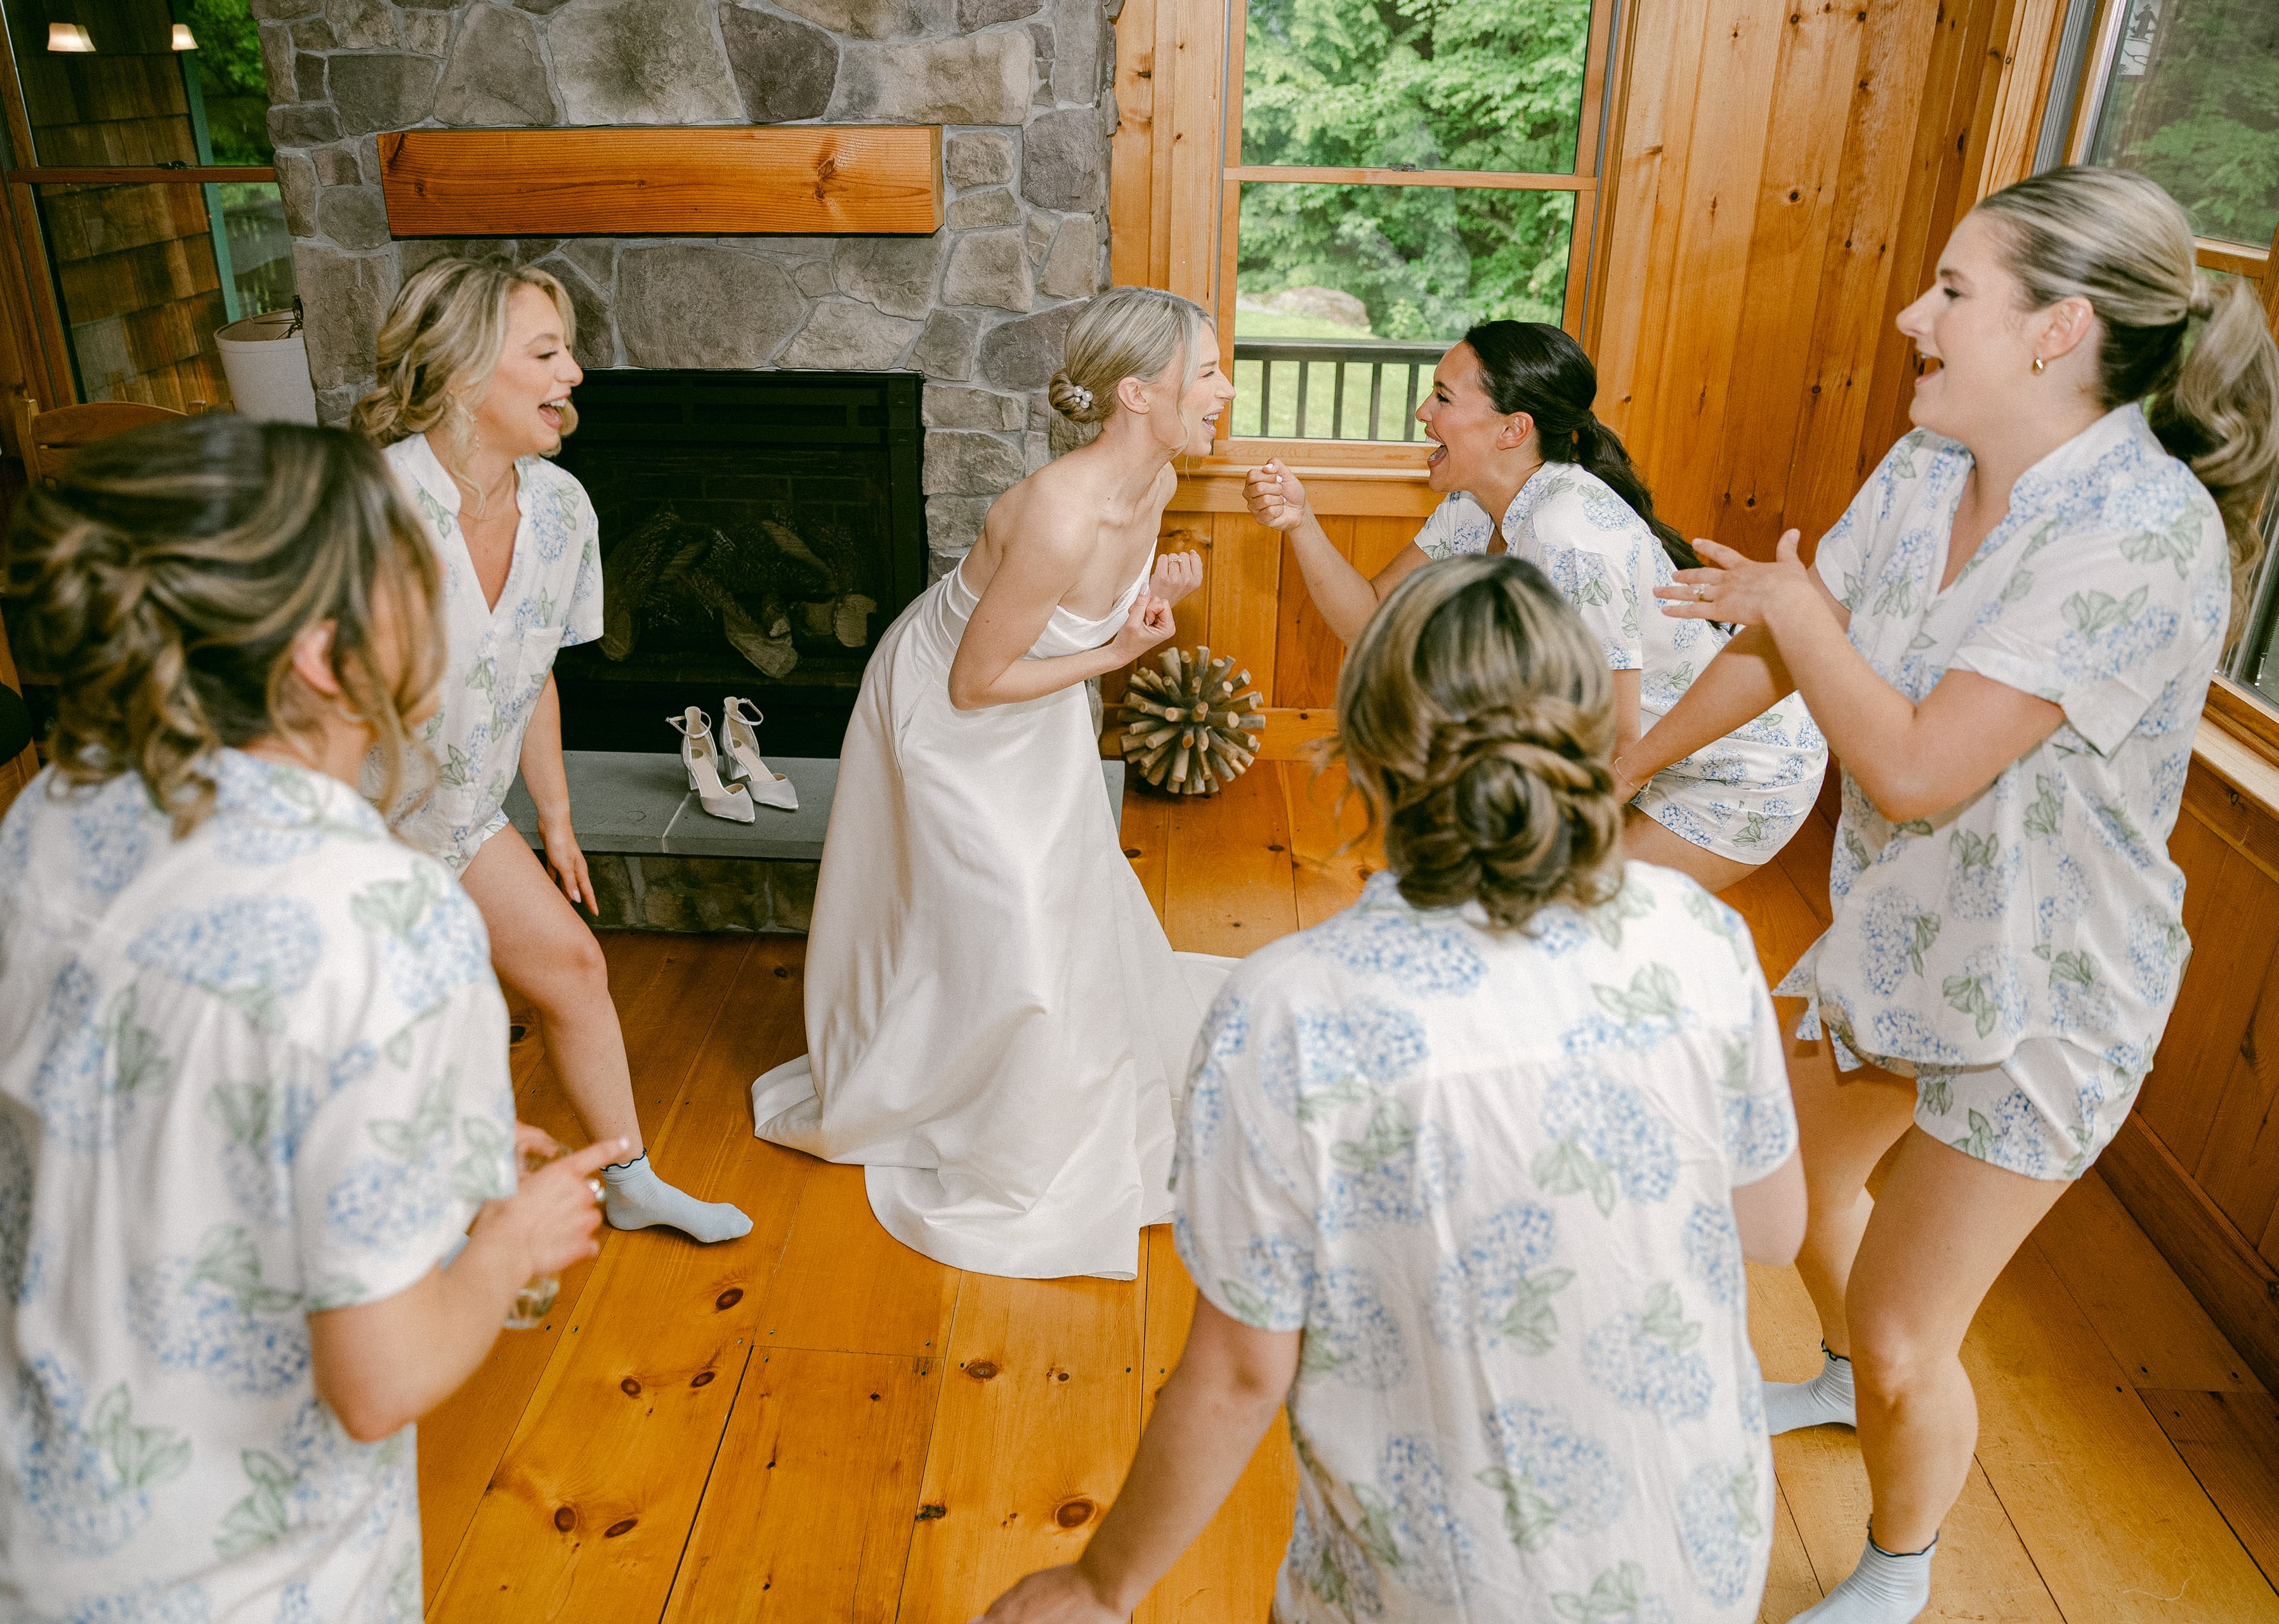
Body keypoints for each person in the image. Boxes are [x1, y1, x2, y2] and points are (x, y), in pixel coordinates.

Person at [0, 416, 621, 1619]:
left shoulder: (64, 808)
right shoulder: (391, 925)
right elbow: (379, 1380)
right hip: (178, 1573)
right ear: (325, 656)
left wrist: (417, 1153)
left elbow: (117, 1098)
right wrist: (511, 1243)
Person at [1638, 167, 2278, 1623]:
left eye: (1951, 291)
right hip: (1904, 925)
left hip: (2049, 991)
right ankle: (1833, 1381)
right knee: (1785, 1181)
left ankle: (1899, 1564)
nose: (1910, 318)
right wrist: (1620, 764)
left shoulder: (2141, 531)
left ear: (2059, 329)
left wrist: (1797, 611)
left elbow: (1919, 764)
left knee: (1901, 1325)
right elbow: (1783, 645)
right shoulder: (1931, 463)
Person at [971, 554, 1808, 1623]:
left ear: (1364, 754)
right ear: (1592, 735)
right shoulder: (1699, 935)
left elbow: (1239, 1375)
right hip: (1697, 1552)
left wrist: (1102, 1584)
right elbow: (1772, 1229)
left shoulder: (1294, 1010)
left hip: (1441, 1587)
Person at [749, 285, 1238, 1280]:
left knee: (1059, 895)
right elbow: (974, 684)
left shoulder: (1154, 480)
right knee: (1005, 905)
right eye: (1209, 370)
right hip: (948, 715)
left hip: (1032, 703)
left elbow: (1073, 621)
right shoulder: (1055, 511)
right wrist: (1116, 656)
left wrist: (1145, 606)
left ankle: (1035, 1077)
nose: (1225, 389)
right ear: (1137, 393)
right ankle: (961, 1097)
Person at [355, 259, 748, 1243]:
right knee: (422, 1039)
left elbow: (530, 673)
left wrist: (557, 820)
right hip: (353, 833)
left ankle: (630, 1179)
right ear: (461, 371)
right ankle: (419, 1243)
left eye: (567, 351)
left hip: (459, 818)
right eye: (546, 353)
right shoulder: (368, 507)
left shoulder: (564, 508)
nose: (573, 373)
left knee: (572, 967)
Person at [1246, 321, 1827, 892]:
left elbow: (1617, 746)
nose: (1423, 411)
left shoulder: (1568, 538)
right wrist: (1301, 523)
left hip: (1738, 771)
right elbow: (1373, 621)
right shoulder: (1475, 505)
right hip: (1637, 759)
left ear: (1513, 429)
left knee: (1547, 912)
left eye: (1443, 397)